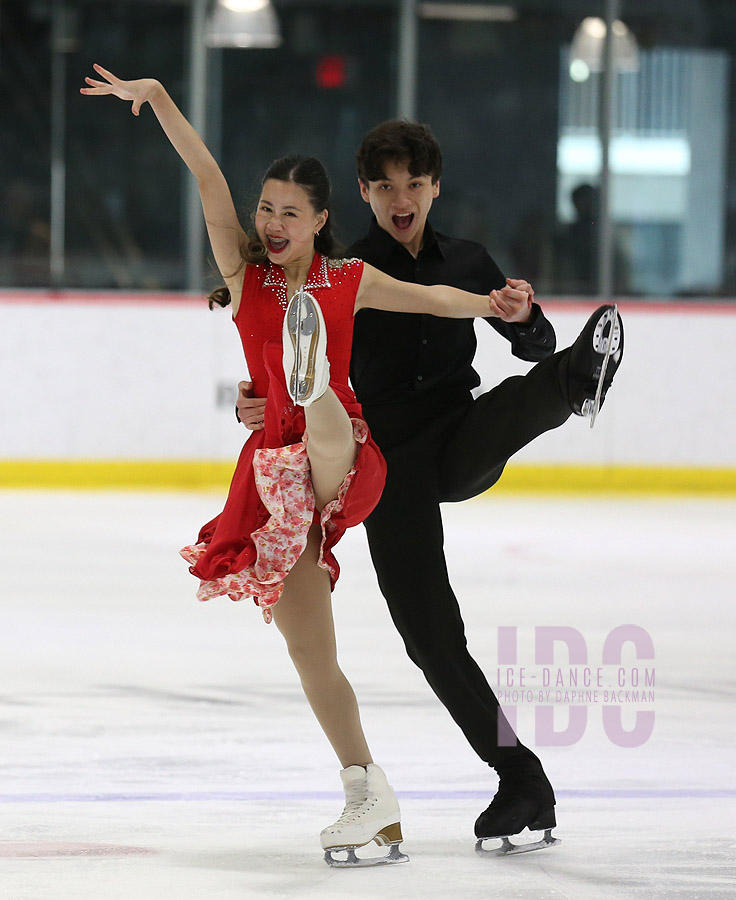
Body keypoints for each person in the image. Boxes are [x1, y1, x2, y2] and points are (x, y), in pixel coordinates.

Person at [80, 66, 538, 866]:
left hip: (342, 449)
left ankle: (312, 375)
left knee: (324, 433)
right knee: (310, 655)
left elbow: (433, 299)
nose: (273, 219)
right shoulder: (245, 273)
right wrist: (156, 103)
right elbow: (207, 176)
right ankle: (369, 794)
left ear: (322, 219)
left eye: (292, 211)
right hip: (272, 480)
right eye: (267, 209)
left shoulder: (346, 277)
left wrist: (490, 304)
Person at [240, 120, 623, 853]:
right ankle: (520, 777)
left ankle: (580, 375)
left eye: (413, 183)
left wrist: (528, 318)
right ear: (364, 193)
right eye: (384, 186)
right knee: (430, 636)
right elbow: (283, 353)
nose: (400, 198)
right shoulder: (345, 265)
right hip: (384, 463)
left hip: (457, 433)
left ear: (435, 186)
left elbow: (525, 337)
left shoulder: (471, 259)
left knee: (513, 401)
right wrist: (249, 400)